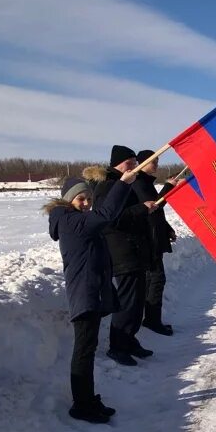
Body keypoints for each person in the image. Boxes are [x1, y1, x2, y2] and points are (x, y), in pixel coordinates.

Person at [45, 164, 144, 423]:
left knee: (87, 349)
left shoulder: (73, 220)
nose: (87, 203)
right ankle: (81, 405)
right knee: (83, 350)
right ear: (69, 200)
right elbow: (106, 213)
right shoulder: (71, 222)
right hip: (84, 294)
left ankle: (87, 399)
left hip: (92, 292)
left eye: (89, 198)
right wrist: (123, 183)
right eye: (81, 198)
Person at [89, 146, 159, 366]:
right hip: (121, 251)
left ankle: (129, 340)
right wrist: (142, 209)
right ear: (121, 163)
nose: (135, 166)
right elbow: (110, 218)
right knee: (127, 301)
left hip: (134, 250)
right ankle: (117, 346)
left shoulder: (124, 184)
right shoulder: (108, 186)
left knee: (137, 300)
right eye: (131, 162)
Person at [133, 149, 178, 336]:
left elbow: (156, 213)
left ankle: (151, 318)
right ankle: (151, 320)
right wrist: (168, 188)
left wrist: (167, 228)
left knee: (155, 279)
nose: (157, 164)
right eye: (154, 161)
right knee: (156, 279)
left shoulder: (145, 182)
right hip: (147, 240)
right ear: (143, 163)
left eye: (157, 160)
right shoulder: (138, 183)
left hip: (154, 237)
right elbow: (153, 206)